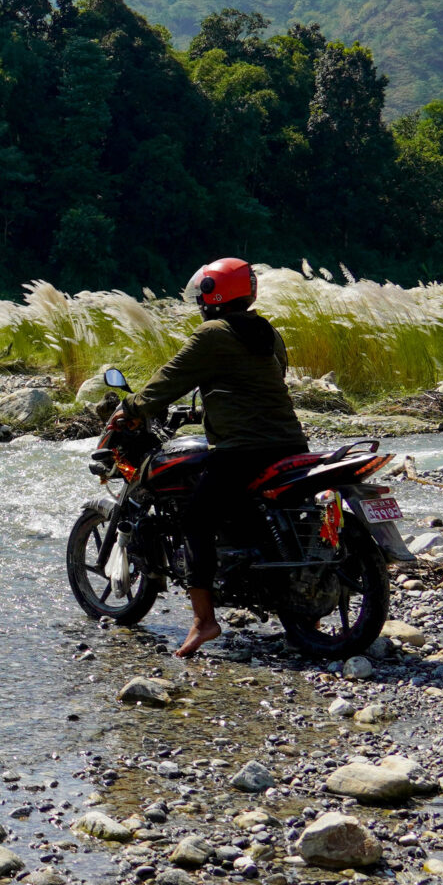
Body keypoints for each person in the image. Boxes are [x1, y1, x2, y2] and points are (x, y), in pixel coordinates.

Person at [124, 257, 308, 657]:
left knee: (196, 519)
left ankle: (203, 621)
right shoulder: (266, 332)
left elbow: (170, 379)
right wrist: (205, 411)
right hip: (292, 445)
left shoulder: (212, 334)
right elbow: (260, 385)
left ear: (211, 293)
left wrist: (134, 407)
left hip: (242, 451)